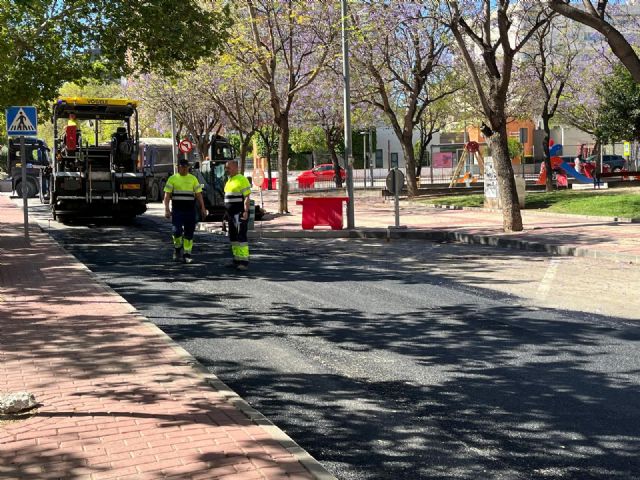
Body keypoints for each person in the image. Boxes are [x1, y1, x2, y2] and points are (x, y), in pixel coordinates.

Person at [163, 158, 207, 264]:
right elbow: (167, 195)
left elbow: (198, 194)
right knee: (176, 231)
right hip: (177, 210)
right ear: (179, 167)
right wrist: (167, 209)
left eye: (186, 167)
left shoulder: (193, 179)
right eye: (182, 167)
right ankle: (177, 248)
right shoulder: (172, 179)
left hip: (190, 210)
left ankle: (187, 254)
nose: (184, 169)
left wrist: (203, 207)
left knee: (189, 233)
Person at [224, 159, 251, 270]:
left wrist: (245, 211)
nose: (227, 170)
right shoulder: (229, 180)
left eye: (228, 168)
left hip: (238, 213)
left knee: (241, 237)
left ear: (235, 167)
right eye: (226, 168)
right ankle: (236, 259)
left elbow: (247, 197)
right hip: (230, 214)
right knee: (233, 237)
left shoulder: (242, 179)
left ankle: (243, 262)